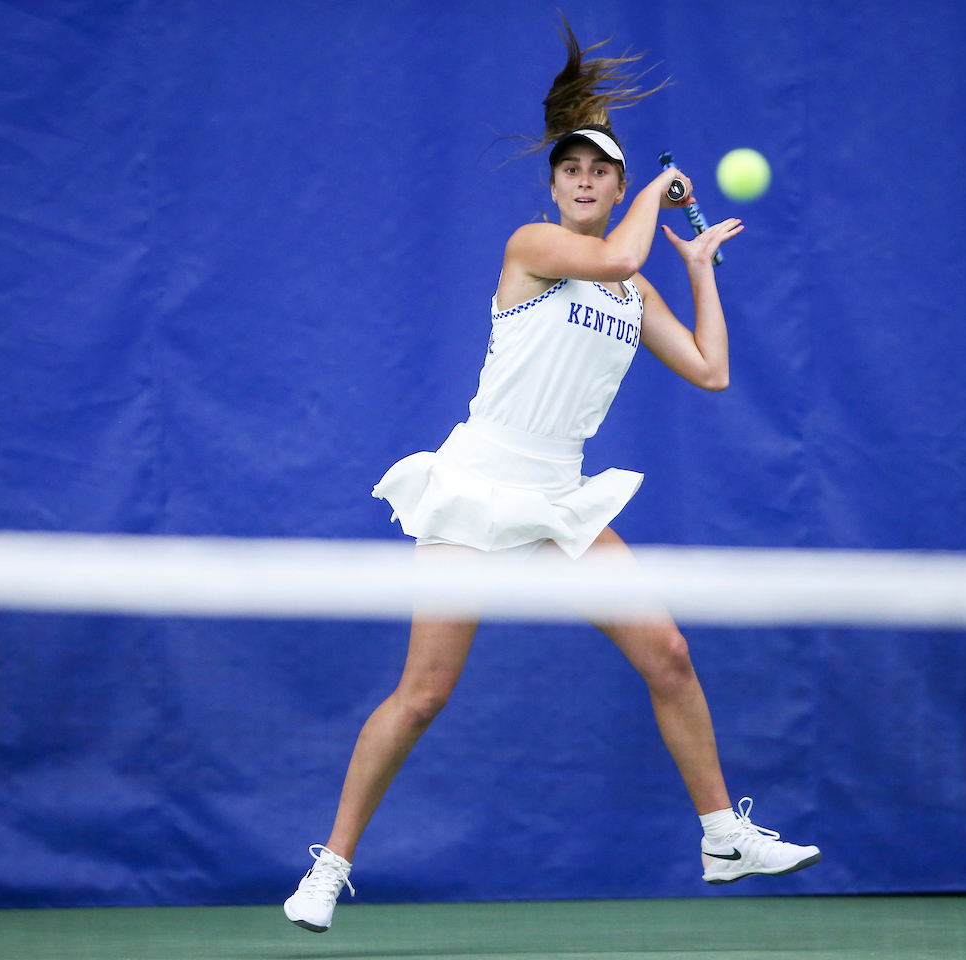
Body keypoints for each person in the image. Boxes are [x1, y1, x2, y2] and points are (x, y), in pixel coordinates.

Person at [283, 22, 820, 934]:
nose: (583, 179)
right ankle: (330, 869)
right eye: (572, 167)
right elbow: (615, 253)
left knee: (669, 654)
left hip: (558, 502)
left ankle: (723, 834)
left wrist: (698, 271)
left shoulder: (632, 287)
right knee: (423, 696)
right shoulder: (535, 244)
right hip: (478, 488)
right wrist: (658, 194)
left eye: (600, 171)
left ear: (612, 187)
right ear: (555, 185)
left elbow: (711, 369)